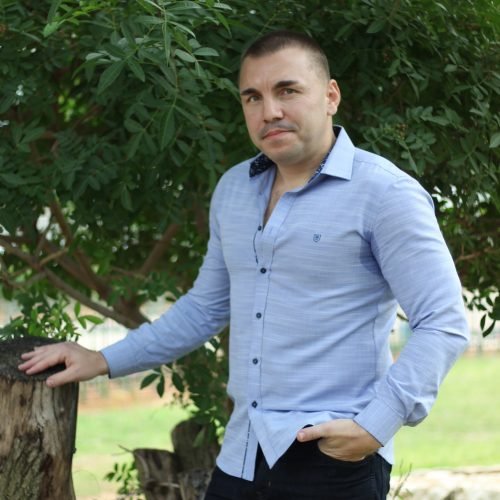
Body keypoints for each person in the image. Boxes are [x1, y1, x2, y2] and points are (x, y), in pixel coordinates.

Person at [19, 30, 469, 499]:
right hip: (241, 454)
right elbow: (205, 308)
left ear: (330, 96)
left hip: (334, 457)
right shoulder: (235, 189)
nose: (269, 111)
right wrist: (102, 359)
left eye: (287, 90)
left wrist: (376, 425)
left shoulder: (385, 194)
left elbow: (442, 320)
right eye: (253, 97)